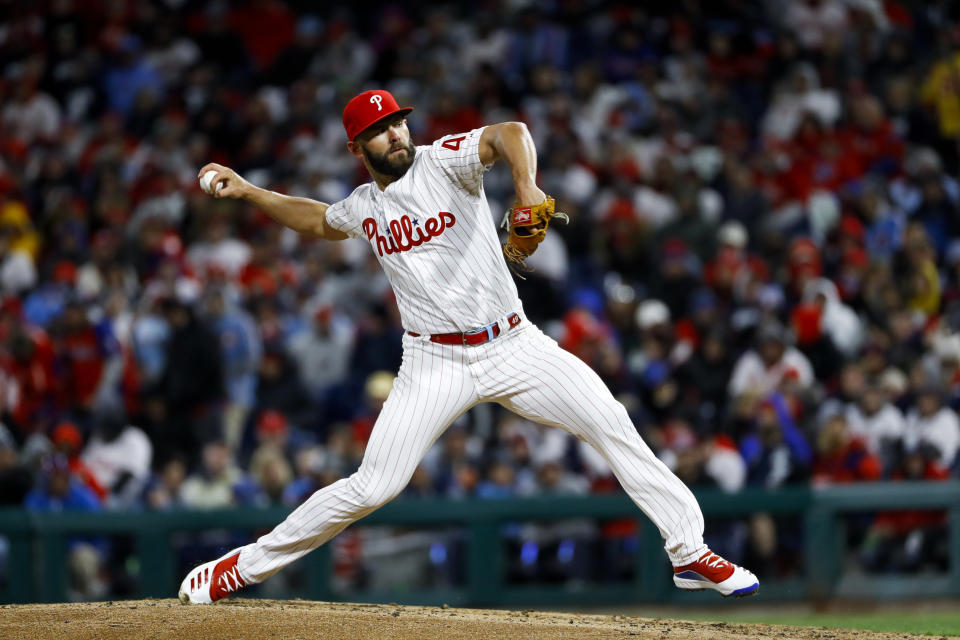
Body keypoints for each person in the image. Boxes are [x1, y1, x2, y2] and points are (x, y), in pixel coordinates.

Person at [178, 89, 758, 604]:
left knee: (611, 420)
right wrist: (252, 191)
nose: (396, 133)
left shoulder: (443, 163)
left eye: (399, 122)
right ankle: (241, 568)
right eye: (380, 130)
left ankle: (688, 551)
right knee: (372, 486)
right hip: (435, 362)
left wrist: (527, 184)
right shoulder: (366, 204)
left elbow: (511, 134)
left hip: (513, 344)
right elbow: (316, 220)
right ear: (358, 147)